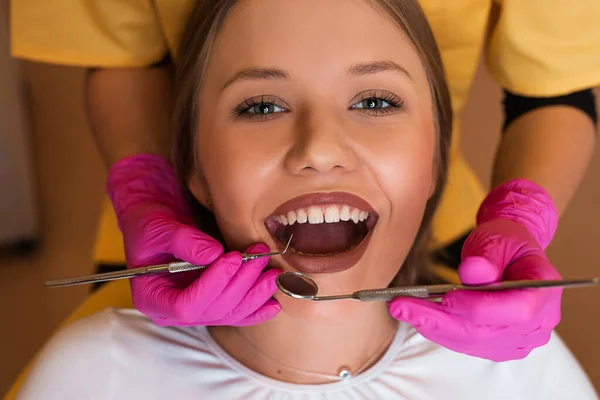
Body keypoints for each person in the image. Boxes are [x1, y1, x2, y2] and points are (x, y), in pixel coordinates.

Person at [14, 1, 600, 398]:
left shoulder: (524, 381)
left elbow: (553, 88)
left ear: (437, 155)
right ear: (191, 165)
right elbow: (121, 56)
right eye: (261, 106)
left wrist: (522, 212)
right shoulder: (94, 375)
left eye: (375, 101)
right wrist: (145, 190)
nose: (319, 149)